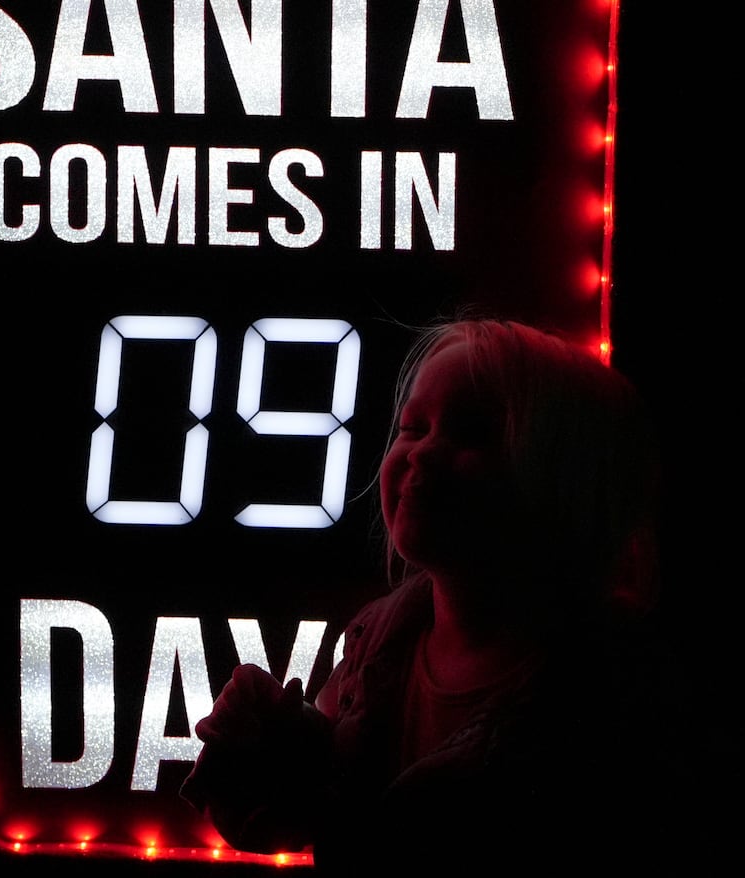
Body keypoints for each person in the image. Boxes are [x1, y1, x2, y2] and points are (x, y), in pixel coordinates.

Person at [180, 316, 708, 874]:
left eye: (473, 432)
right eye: (413, 427)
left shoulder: (620, 701)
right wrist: (268, 744)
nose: (424, 453)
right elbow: (305, 813)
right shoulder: (377, 640)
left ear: (570, 482)